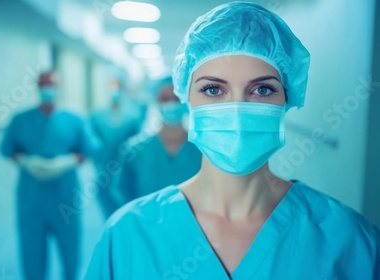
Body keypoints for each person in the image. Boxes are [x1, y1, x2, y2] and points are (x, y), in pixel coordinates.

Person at [84, 2, 380, 279]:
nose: (237, 110)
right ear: (187, 99)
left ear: (287, 99)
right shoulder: (127, 236)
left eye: (262, 90)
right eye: (213, 90)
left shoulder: (346, 239)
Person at [0, 70, 99, 280]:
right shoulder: (21, 120)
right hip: (30, 197)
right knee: (32, 253)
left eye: (51, 84)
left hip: (65, 194)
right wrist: (26, 161)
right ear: (37, 87)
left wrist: (68, 161)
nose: (47, 89)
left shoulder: (75, 119)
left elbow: (89, 148)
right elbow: (7, 149)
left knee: (70, 252)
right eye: (43, 84)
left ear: (58, 86)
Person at [109, 76, 202, 210]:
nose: (171, 104)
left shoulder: (204, 149)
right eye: (164, 98)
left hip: (195, 227)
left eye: (176, 99)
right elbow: (122, 193)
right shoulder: (135, 150)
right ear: (155, 102)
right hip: (147, 226)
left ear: (186, 101)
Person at [90, 78, 142, 218]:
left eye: (117, 87)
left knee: (126, 209)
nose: (114, 91)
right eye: (111, 86)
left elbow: (137, 145)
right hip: (103, 170)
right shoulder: (97, 116)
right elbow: (92, 144)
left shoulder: (132, 117)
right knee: (108, 213)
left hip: (125, 169)